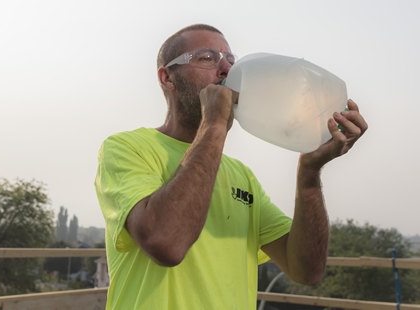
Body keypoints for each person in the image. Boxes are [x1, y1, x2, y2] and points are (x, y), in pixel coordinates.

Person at [94, 24, 368, 310]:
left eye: (231, 61)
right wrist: (214, 124)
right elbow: (167, 244)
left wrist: (309, 174)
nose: (226, 70)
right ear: (167, 78)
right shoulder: (125, 148)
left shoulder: (242, 176)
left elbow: (307, 270)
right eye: (207, 58)